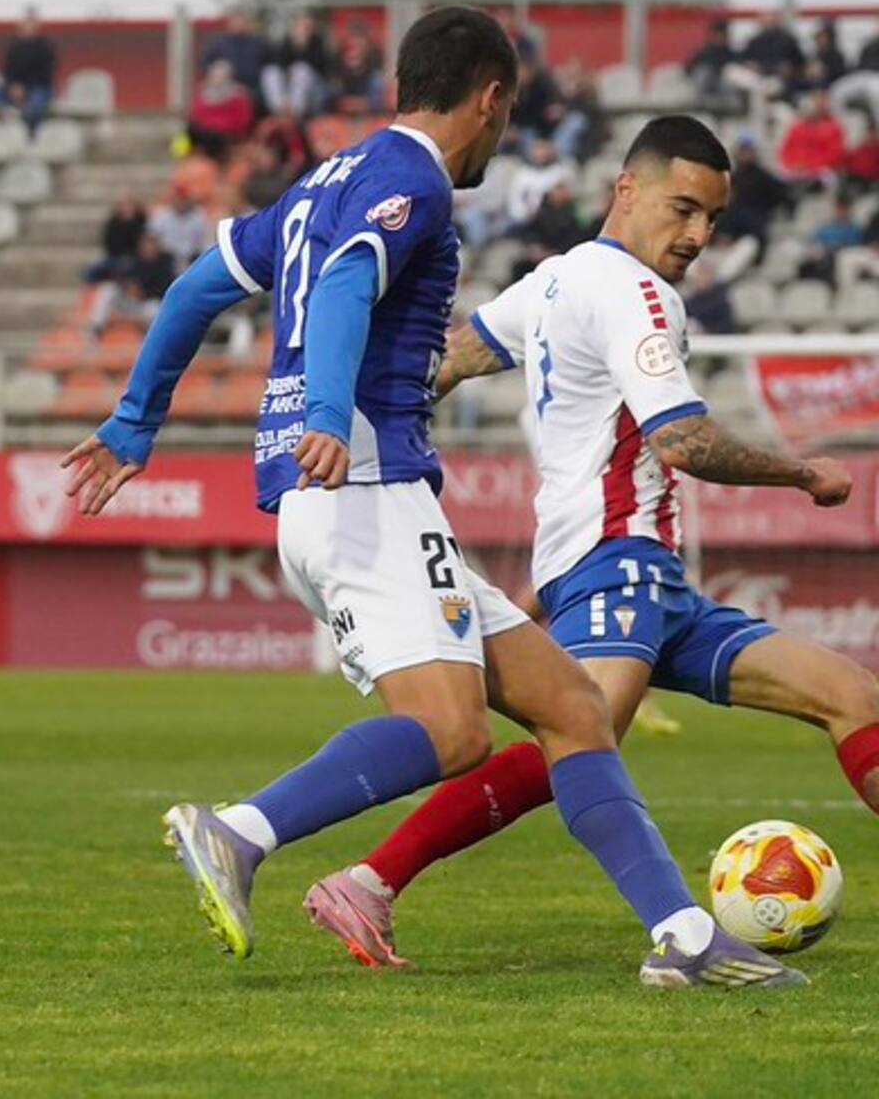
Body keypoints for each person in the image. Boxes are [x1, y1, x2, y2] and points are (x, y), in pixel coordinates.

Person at [61, 9, 804, 989]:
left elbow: (199, 287)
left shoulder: (326, 177)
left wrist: (135, 420)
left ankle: (685, 938)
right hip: (363, 486)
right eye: (509, 113)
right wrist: (329, 408)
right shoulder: (412, 179)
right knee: (453, 732)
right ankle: (239, 831)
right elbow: (342, 281)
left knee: (573, 709)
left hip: (345, 492)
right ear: (490, 99)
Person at [306, 116, 878, 973]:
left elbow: (453, 356)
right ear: (627, 190)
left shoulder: (555, 279)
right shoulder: (635, 292)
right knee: (578, 738)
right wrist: (802, 474)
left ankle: (374, 881)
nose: (697, 235)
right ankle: (376, 881)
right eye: (683, 208)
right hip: (620, 563)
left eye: (712, 220)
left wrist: (352, 396)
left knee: (852, 695)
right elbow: (682, 440)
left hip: (651, 580)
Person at [0, 8, 55, 133]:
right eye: (25, 24)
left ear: (36, 26)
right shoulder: (14, 47)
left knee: (35, 107)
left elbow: (46, 73)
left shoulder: (45, 47)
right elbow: (6, 70)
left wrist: (24, 88)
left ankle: (30, 134)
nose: (27, 27)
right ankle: (13, 110)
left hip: (38, 87)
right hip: (14, 88)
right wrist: (12, 86)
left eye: (31, 24)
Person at [262, 13, 331, 119]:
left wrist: (303, 47)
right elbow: (279, 63)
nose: (302, 30)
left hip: (314, 94)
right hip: (289, 91)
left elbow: (318, 68)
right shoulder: (287, 43)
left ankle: (294, 115)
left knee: (301, 69)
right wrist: (294, 45)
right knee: (270, 71)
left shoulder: (318, 43)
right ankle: (280, 111)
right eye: (299, 26)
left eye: (306, 27)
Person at [188, 60, 255, 161]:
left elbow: (243, 121)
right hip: (205, 134)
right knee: (184, 137)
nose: (218, 80)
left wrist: (218, 126)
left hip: (228, 136)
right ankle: (182, 160)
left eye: (221, 76)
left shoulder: (238, 97)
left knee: (214, 138)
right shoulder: (203, 97)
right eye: (215, 76)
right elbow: (196, 117)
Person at [778, 90, 846, 188]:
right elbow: (786, 149)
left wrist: (810, 166)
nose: (818, 105)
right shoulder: (797, 126)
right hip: (795, 168)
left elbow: (835, 154)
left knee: (822, 180)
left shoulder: (835, 127)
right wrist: (793, 164)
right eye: (815, 101)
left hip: (821, 170)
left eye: (822, 102)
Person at [147, 187, 208, 269]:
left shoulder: (199, 215)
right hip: (167, 257)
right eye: (177, 199)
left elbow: (203, 241)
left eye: (183, 199)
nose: (180, 203)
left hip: (192, 256)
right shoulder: (161, 215)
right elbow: (151, 238)